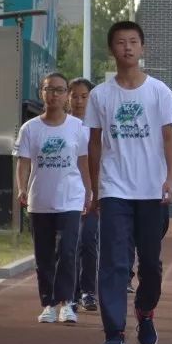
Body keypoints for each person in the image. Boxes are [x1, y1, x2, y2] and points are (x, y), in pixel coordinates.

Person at [85, 20, 172, 344]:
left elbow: (169, 138)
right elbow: (94, 144)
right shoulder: (100, 95)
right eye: (120, 42)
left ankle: (145, 311)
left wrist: (170, 179)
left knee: (151, 264)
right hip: (114, 189)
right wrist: (95, 187)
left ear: (142, 48)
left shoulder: (159, 91)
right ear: (112, 49)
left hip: (152, 190)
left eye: (133, 42)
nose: (127, 48)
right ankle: (114, 332)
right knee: (113, 261)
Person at [14, 72, 92, 325]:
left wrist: (91, 192)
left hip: (71, 198)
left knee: (68, 252)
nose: (54, 95)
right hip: (40, 201)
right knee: (44, 255)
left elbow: (84, 163)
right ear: (42, 93)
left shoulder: (78, 128)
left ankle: (67, 302)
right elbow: (23, 163)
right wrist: (21, 188)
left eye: (60, 90)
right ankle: (48, 303)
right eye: (50, 89)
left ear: (65, 96)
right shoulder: (30, 128)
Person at [65, 78, 101, 312]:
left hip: (92, 193)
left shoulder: (97, 127)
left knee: (89, 241)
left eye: (84, 96)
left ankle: (89, 291)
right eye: (74, 96)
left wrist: (96, 191)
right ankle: (73, 293)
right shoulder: (62, 125)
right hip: (66, 194)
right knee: (71, 245)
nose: (79, 101)